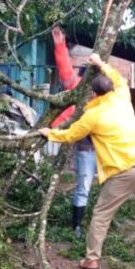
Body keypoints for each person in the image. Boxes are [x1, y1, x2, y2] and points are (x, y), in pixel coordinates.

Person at [38, 53, 135, 269]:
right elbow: (119, 79)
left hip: (123, 172)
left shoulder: (93, 116)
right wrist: (101, 63)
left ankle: (91, 260)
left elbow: (70, 134)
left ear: (92, 94)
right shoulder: (122, 95)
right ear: (110, 89)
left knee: (101, 214)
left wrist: (49, 133)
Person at [49, 26, 97, 238]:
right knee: (84, 185)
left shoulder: (107, 93)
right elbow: (65, 69)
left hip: (106, 147)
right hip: (86, 147)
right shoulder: (76, 85)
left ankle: (98, 225)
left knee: (112, 187)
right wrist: (60, 44)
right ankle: (76, 227)